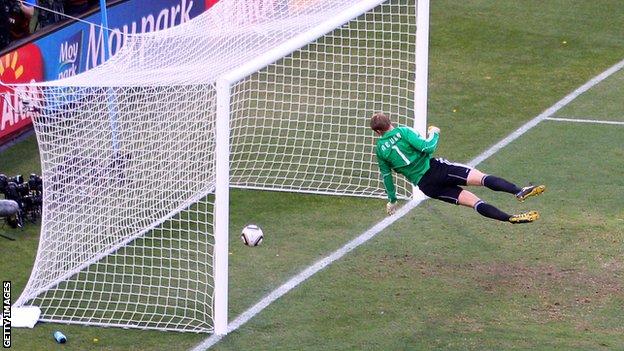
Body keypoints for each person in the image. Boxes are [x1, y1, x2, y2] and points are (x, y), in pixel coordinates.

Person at [371, 112, 545, 224]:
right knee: (482, 179)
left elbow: (387, 177)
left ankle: (510, 218)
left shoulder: (380, 150)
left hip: (426, 186)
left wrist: (392, 201)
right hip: (437, 169)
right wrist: (434, 132)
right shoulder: (403, 132)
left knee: (475, 202)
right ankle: (518, 191)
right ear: (390, 122)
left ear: (378, 132)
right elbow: (428, 147)